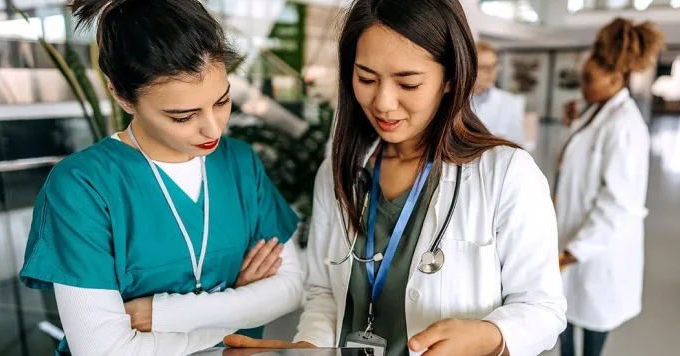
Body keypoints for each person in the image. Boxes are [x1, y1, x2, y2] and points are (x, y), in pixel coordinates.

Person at [224, 0, 566, 355]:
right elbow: (324, 292)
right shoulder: (339, 169)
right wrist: (308, 349)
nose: (384, 103)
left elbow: (544, 309)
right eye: (366, 79)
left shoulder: (507, 174)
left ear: (451, 78)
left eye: (408, 83)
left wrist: (491, 336)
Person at [18, 0, 304, 355]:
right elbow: (103, 349)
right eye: (182, 116)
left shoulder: (240, 163)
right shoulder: (82, 186)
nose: (213, 128)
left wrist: (161, 314)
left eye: (222, 101)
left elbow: (290, 288)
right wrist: (239, 304)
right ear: (122, 97)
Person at [555, 17, 664, 356]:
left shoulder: (625, 127)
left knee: (591, 329)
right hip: (573, 238)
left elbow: (618, 203)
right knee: (564, 317)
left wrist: (573, 252)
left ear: (616, 79)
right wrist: (573, 124)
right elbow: (579, 166)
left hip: (596, 248)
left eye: (588, 80)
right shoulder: (598, 111)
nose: (582, 86)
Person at [471, 40, 526, 146]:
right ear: (469, 67)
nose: (490, 72)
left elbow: (518, 145)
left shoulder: (510, 102)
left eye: (494, 66)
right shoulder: (452, 101)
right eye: (483, 67)